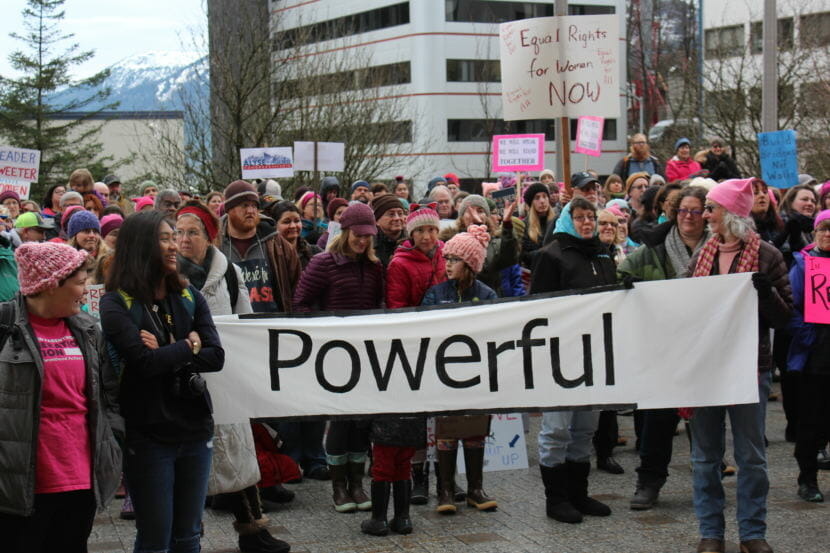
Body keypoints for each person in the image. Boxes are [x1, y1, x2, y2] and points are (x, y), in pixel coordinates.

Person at [100, 210, 225, 553]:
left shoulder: (189, 296)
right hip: (148, 436)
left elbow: (216, 356)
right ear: (140, 246)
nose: (174, 247)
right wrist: (188, 344)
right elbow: (143, 364)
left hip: (195, 430)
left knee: (188, 537)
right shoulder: (115, 303)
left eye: (175, 238)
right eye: (165, 239)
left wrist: (169, 349)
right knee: (155, 539)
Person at [174, 202, 289, 553]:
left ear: (211, 237)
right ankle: (184, 536)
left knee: (237, 452)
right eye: (178, 232)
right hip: (182, 378)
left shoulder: (228, 272)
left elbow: (245, 322)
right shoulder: (165, 274)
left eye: (193, 232)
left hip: (224, 374)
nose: (184, 240)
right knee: (189, 462)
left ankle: (252, 530)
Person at [688, 178, 792, 553]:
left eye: (712, 208)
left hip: (750, 367)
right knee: (705, 457)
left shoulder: (767, 255)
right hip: (707, 368)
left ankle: (752, 533)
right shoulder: (703, 255)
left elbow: (784, 318)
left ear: (730, 213)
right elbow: (683, 303)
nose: (706, 214)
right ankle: (710, 532)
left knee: (751, 456)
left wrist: (767, 294)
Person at [0, 243, 123, 553]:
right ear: (52, 284)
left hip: (81, 479)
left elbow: (108, 394)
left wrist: (114, 440)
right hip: (20, 484)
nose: (85, 292)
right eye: (80, 283)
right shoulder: (4, 326)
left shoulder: (87, 329)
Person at [617, 186, 709, 510]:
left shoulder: (718, 248)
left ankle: (709, 483)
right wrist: (627, 284)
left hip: (704, 347)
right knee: (658, 420)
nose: (689, 217)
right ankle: (649, 481)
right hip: (663, 348)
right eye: (683, 210)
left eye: (696, 211)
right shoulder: (655, 249)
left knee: (706, 420)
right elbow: (624, 271)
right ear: (674, 213)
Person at [293, 203, 383, 514]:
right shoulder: (323, 263)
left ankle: (357, 484)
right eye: (358, 235)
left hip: (364, 352)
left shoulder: (373, 266)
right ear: (345, 233)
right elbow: (301, 303)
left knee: (361, 421)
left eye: (367, 236)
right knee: (341, 420)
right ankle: (339, 488)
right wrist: (322, 333)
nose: (362, 241)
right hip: (333, 355)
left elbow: (378, 305)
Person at [531, 197, 616, 524]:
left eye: (590, 217)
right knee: (556, 429)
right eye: (579, 217)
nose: (586, 223)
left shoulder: (601, 254)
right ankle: (557, 498)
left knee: (585, 427)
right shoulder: (552, 255)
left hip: (594, 356)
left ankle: (578, 493)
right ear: (568, 220)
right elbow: (537, 308)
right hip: (560, 358)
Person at [421, 225, 498, 514]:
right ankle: (445, 489)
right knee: (447, 430)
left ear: (471, 264)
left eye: (454, 259)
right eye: (447, 258)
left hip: (476, 373)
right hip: (444, 374)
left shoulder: (488, 295)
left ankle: (475, 488)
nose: (448, 264)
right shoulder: (434, 294)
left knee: (476, 427)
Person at [787, 209, 830, 503]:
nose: (828, 235)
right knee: (811, 420)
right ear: (814, 233)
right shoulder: (803, 265)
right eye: (823, 230)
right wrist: (808, 335)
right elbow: (792, 307)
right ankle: (808, 478)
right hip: (816, 353)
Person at [218, 180, 301, 313]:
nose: (250, 211)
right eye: (244, 205)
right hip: (231, 329)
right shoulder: (215, 245)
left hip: (271, 328)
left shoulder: (277, 245)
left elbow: (297, 290)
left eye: (254, 206)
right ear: (229, 210)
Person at [441, 194, 519, 294]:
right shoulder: (449, 242)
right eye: (469, 211)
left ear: (487, 217)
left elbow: (509, 259)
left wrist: (507, 224)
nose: (475, 214)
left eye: (480, 211)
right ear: (461, 217)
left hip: (488, 299)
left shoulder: (495, 243)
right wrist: (477, 227)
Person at [268, 200, 321, 269]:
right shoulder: (269, 255)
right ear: (275, 225)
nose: (293, 226)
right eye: (286, 222)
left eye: (297, 221)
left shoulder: (315, 253)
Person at [521, 181, 554, 268]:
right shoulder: (524, 225)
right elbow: (523, 255)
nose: (542, 201)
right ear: (531, 203)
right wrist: (545, 252)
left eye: (545, 196)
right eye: (537, 198)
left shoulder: (557, 221)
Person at [371, 194, 407, 266]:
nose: (397, 218)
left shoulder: (412, 242)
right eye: (391, 214)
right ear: (377, 221)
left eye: (400, 214)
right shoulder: (370, 245)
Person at [750, 179, 784, 245]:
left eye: (765, 192)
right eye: (755, 193)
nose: (762, 195)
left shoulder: (780, 225)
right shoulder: (743, 231)